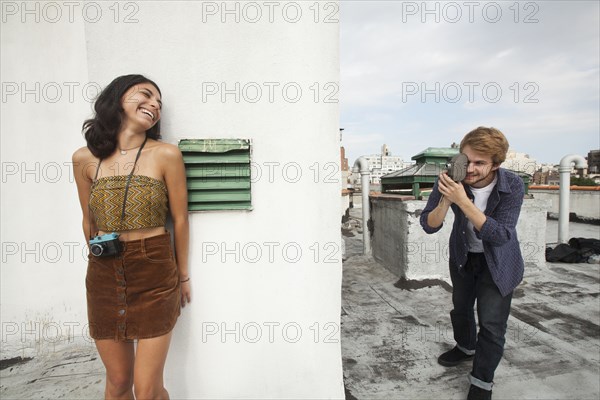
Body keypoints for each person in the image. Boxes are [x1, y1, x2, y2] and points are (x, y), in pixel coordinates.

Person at [72, 74, 191, 399]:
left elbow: (179, 220)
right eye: (146, 95)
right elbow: (89, 220)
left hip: (153, 269)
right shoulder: (84, 159)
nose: (154, 105)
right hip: (104, 274)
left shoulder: (166, 154)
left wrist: (182, 276)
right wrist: (100, 261)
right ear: (118, 98)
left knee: (147, 389)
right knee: (119, 381)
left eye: (159, 103)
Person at [419, 127, 524, 400]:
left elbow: (501, 235)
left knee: (491, 324)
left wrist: (463, 202)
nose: (471, 169)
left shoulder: (512, 185)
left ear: (496, 165)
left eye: (480, 163)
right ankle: (466, 347)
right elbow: (429, 225)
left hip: (498, 263)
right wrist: (446, 198)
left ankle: (482, 381)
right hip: (464, 257)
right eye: (467, 160)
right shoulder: (450, 180)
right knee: (461, 309)